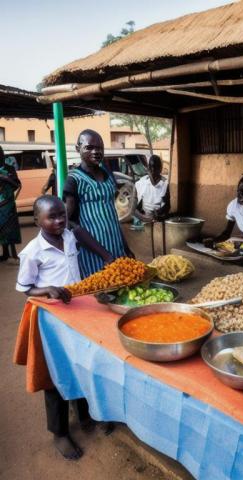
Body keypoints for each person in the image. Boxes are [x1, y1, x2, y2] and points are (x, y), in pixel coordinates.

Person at [16, 195, 114, 460]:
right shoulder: (33, 253)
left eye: (63, 215)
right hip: (51, 319)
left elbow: (79, 236)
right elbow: (25, 288)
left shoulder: (69, 236)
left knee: (81, 363)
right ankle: (59, 432)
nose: (60, 220)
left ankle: (84, 415)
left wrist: (106, 258)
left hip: (78, 312)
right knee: (54, 374)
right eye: (52, 217)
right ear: (37, 220)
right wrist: (47, 290)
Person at [63, 129, 133, 278]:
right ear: (78, 149)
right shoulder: (74, 180)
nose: (96, 151)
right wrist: (104, 255)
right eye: (89, 147)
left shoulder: (107, 175)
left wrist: (126, 248)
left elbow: (112, 217)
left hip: (116, 248)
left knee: (120, 288)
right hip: (93, 254)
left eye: (99, 147)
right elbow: (71, 223)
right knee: (99, 291)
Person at [134, 154, 170, 223]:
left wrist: (157, 214)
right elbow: (136, 205)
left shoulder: (165, 184)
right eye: (151, 168)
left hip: (158, 218)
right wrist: (142, 216)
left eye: (155, 168)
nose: (153, 171)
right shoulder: (142, 182)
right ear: (148, 168)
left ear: (160, 169)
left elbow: (167, 206)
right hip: (144, 218)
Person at [0, 146, 21, 261]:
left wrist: (5, 178)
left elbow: (17, 184)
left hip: (7, 204)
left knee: (9, 230)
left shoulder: (9, 169)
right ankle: (5, 253)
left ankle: (11, 253)